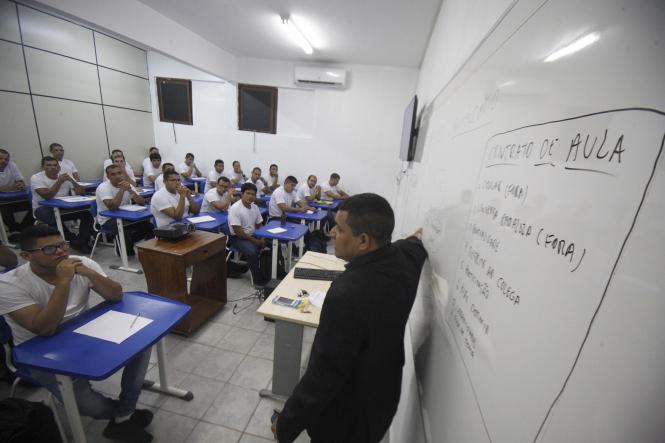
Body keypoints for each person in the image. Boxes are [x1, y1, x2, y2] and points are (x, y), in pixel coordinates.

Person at [271, 194, 428, 442]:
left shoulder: (346, 295)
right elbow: (412, 246)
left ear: (363, 241)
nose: (332, 233)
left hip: (346, 420)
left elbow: (323, 376)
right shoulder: (402, 260)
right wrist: (415, 238)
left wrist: (286, 425)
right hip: (382, 400)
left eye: (340, 229)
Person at [0, 225, 154, 442]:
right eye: (50, 249)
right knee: (89, 406)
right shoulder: (8, 285)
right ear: (26, 256)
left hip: (85, 334)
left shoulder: (82, 264)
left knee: (143, 341)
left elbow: (116, 295)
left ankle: (124, 414)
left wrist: (89, 273)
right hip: (40, 352)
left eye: (62, 245)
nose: (62, 252)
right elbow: (45, 329)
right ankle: (123, 413)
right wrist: (63, 282)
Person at [31, 156, 94, 253]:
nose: (53, 167)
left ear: (59, 167)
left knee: (87, 215)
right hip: (43, 208)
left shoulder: (65, 175)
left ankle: (82, 240)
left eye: (55, 165)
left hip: (63, 207)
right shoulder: (36, 178)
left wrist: (73, 182)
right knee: (53, 218)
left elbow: (81, 193)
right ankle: (72, 240)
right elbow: (47, 195)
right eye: (49, 165)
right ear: (43, 167)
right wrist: (59, 182)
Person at [96, 164, 153, 256]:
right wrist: (122, 190)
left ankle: (130, 244)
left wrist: (131, 191)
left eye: (119, 173)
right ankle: (124, 247)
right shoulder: (103, 187)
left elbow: (142, 202)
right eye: (113, 174)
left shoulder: (127, 185)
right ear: (108, 177)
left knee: (149, 226)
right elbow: (112, 207)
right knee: (125, 228)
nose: (117, 176)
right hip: (107, 219)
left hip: (127, 216)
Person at [227, 182, 266, 286]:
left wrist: (262, 238)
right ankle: (258, 281)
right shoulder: (235, 208)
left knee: (271, 244)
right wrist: (255, 241)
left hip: (252, 235)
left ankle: (269, 274)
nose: (250, 196)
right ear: (242, 194)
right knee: (252, 251)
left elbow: (259, 225)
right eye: (248, 193)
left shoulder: (255, 207)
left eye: (253, 194)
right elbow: (238, 231)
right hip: (237, 238)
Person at [0, 149, 33, 233]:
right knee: (5, 213)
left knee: (35, 206)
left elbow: (20, 181)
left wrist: (21, 184)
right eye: (0, 158)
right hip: (2, 202)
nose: (3, 161)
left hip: (15, 198)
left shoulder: (12, 165)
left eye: (6, 159)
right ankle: (14, 230)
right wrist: (10, 188)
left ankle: (23, 229)